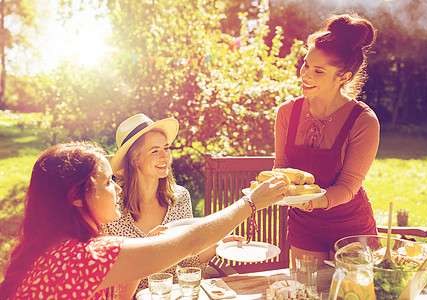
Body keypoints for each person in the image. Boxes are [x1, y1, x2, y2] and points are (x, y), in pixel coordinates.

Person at [0, 141, 286, 299]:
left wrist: (144, 256)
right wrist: (250, 203)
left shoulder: (63, 246)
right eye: (108, 182)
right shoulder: (83, 256)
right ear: (76, 197)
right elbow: (191, 241)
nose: (118, 188)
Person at [274, 13, 379, 265]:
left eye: (318, 70)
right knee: (307, 288)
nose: (305, 75)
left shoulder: (363, 121)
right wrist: (276, 189)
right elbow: (281, 165)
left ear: (343, 77)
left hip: (351, 226)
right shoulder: (287, 112)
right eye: (306, 64)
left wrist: (312, 202)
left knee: (350, 290)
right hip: (304, 225)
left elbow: (348, 187)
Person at [105, 113, 227, 293]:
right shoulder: (111, 204)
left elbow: (187, 264)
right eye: (154, 151)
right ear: (134, 158)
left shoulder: (180, 197)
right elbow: (112, 278)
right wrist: (145, 251)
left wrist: (217, 245)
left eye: (166, 148)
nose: (165, 157)